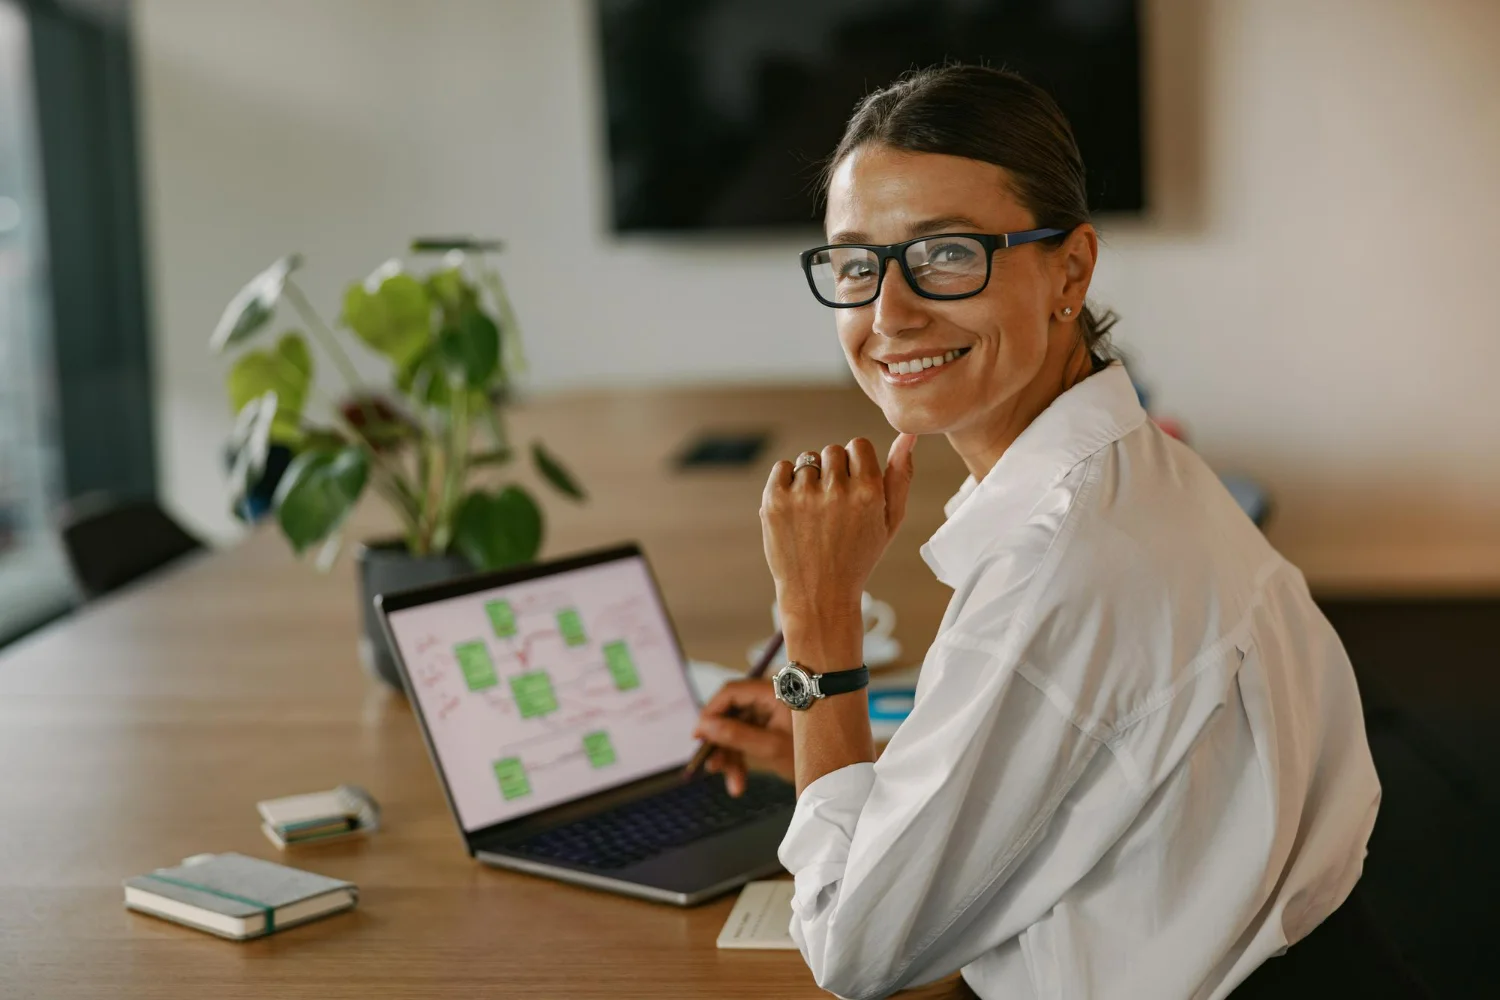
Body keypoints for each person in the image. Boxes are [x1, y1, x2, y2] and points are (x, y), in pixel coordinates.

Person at [693, 65, 1396, 999]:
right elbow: (1081, 757)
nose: (889, 313)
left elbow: (850, 946)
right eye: (857, 263)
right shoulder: (1136, 466)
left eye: (946, 253)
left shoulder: (1061, 559)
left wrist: (819, 621)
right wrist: (852, 759)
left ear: (1071, 268)